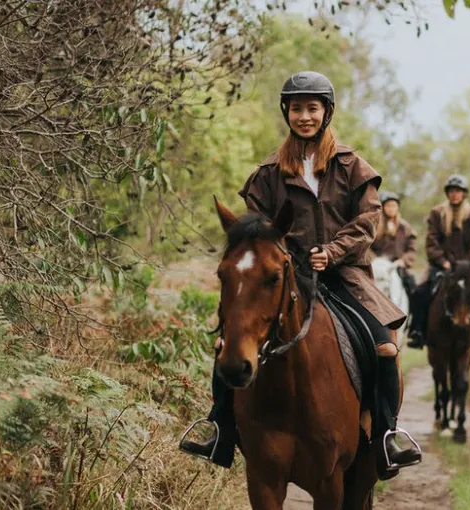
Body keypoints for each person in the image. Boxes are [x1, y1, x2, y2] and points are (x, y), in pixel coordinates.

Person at [179, 71, 421, 474]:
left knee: (384, 346)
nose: (304, 116)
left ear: (327, 112)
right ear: (286, 112)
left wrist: (332, 252)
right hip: (284, 276)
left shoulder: (352, 166)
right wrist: (278, 257)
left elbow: (367, 221)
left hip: (345, 276)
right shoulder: (268, 173)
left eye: (312, 108)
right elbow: (256, 229)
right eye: (296, 109)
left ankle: (386, 435)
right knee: (229, 341)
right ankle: (219, 426)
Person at [406, 174, 470, 351]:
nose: (455, 194)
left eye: (458, 191)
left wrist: (467, 265)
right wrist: (444, 262)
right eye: (452, 191)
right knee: (420, 292)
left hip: (467, 268)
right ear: (448, 193)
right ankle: (417, 331)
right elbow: (431, 243)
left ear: (464, 194)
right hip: (441, 266)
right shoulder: (437, 214)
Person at [370, 191, 418, 300]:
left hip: (397, 266)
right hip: (377, 267)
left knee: (414, 289)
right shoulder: (373, 226)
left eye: (394, 206)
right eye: (388, 206)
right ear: (383, 207)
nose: (391, 209)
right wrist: (375, 260)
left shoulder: (405, 227)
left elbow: (412, 250)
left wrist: (403, 261)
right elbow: (367, 247)